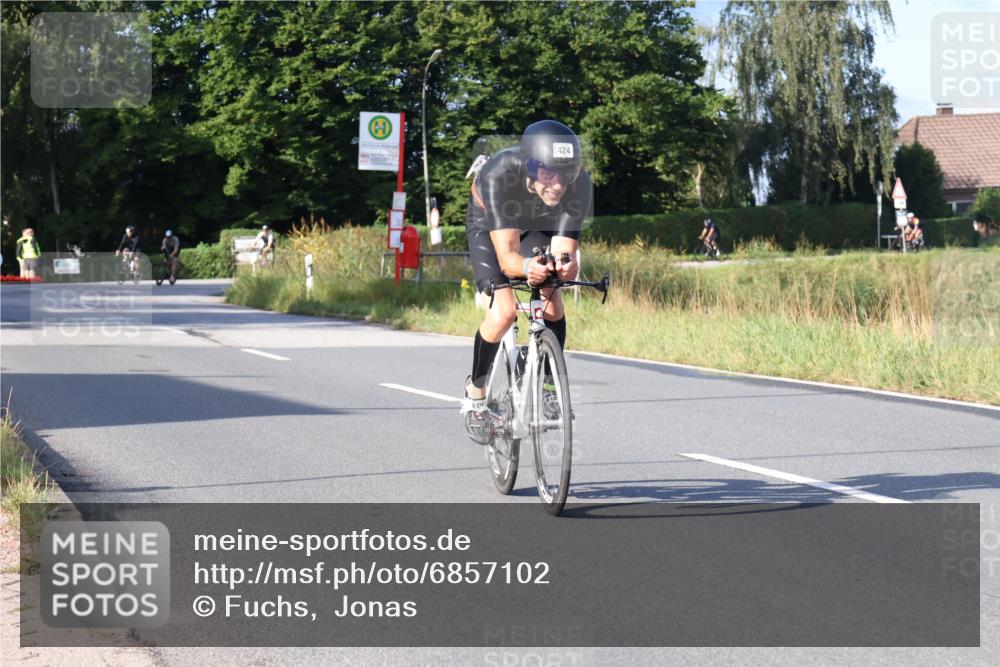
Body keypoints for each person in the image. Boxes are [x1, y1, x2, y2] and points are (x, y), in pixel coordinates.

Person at [459, 120, 592, 440]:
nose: (558, 185)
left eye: (567, 174)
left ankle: (547, 385)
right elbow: (508, 258)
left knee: (552, 301)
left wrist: (565, 266)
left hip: (537, 221)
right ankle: (475, 392)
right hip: (489, 223)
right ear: (531, 168)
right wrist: (526, 266)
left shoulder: (579, 184)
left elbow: (564, 250)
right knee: (503, 312)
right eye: (549, 174)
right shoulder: (499, 174)